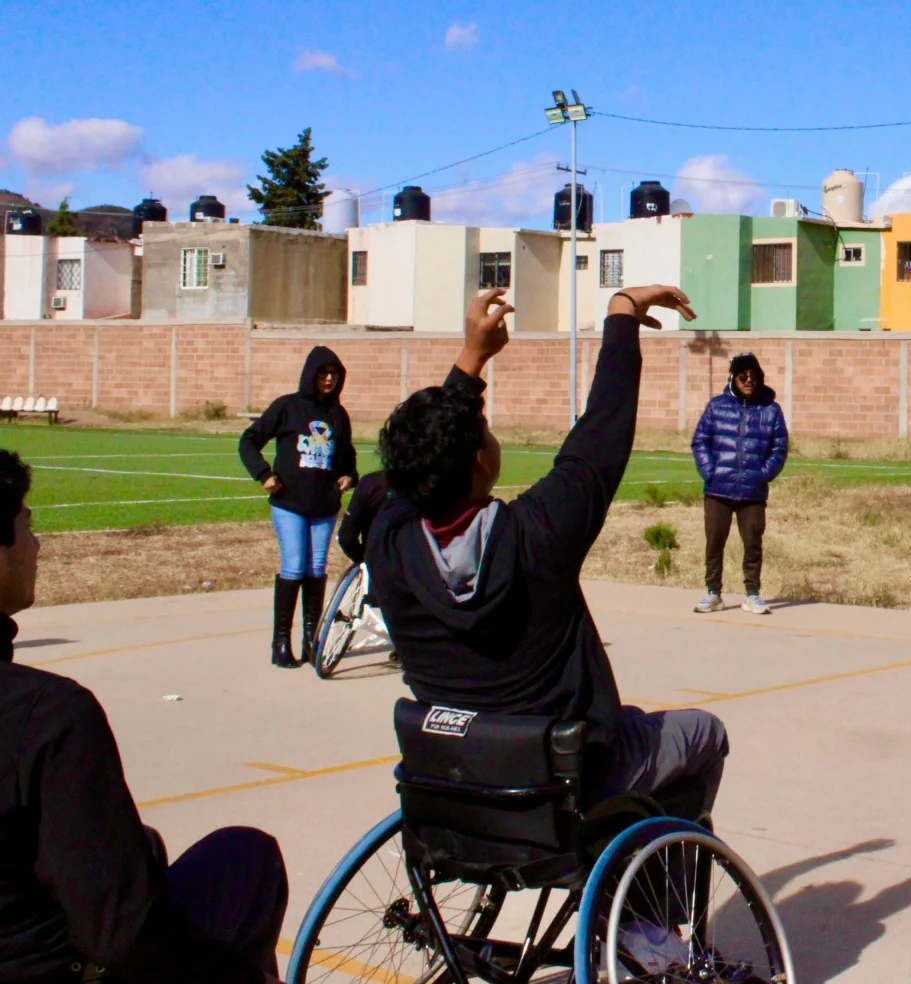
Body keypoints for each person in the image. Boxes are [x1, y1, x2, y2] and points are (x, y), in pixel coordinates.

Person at [366, 286, 732, 816]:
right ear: (477, 463)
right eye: (483, 433)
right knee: (703, 733)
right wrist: (621, 310)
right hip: (568, 778)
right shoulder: (537, 533)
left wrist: (472, 357)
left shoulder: (389, 539)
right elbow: (602, 428)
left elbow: (421, 462)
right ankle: (656, 896)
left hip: (455, 779)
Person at [0, 449, 289, 982]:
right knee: (248, 857)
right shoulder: (48, 715)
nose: (36, 545)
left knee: (145, 847)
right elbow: (116, 933)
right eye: (26, 525)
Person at [239, 346, 358, 668]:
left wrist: (350, 475)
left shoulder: (338, 414)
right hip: (289, 502)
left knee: (316, 569)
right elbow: (248, 440)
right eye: (323, 373)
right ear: (311, 375)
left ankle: (311, 639)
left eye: (334, 374)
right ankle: (280, 644)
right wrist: (263, 474)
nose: (329, 379)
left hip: (324, 505)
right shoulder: (288, 406)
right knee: (294, 566)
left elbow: (346, 454)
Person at [690, 353, 789, 616]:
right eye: (743, 376)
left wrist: (762, 474)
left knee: (753, 543)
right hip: (717, 489)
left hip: (752, 492)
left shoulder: (771, 410)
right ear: (732, 378)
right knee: (714, 542)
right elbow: (700, 441)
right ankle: (713, 592)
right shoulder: (716, 407)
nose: (749, 380)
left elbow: (779, 448)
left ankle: (752, 594)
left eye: (754, 375)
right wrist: (710, 471)